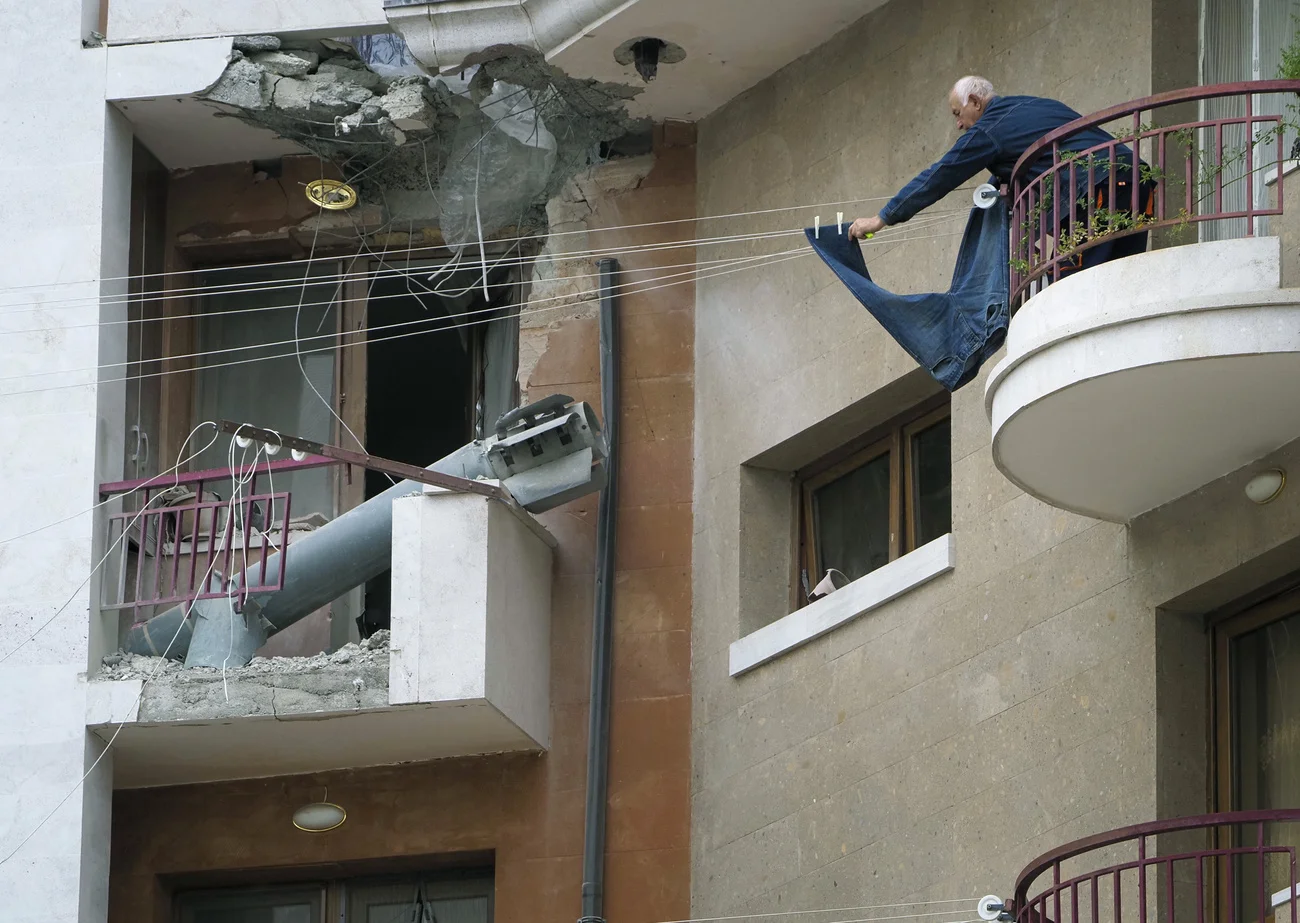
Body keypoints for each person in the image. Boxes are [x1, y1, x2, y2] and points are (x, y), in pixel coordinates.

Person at [849, 76, 1152, 274]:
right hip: (1136, 183)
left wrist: (882, 219)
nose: (958, 125)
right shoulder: (1033, 104)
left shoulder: (990, 129)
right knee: (1122, 276)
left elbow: (938, 176)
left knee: (1084, 286)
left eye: (957, 113)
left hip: (1098, 190)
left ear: (976, 103)